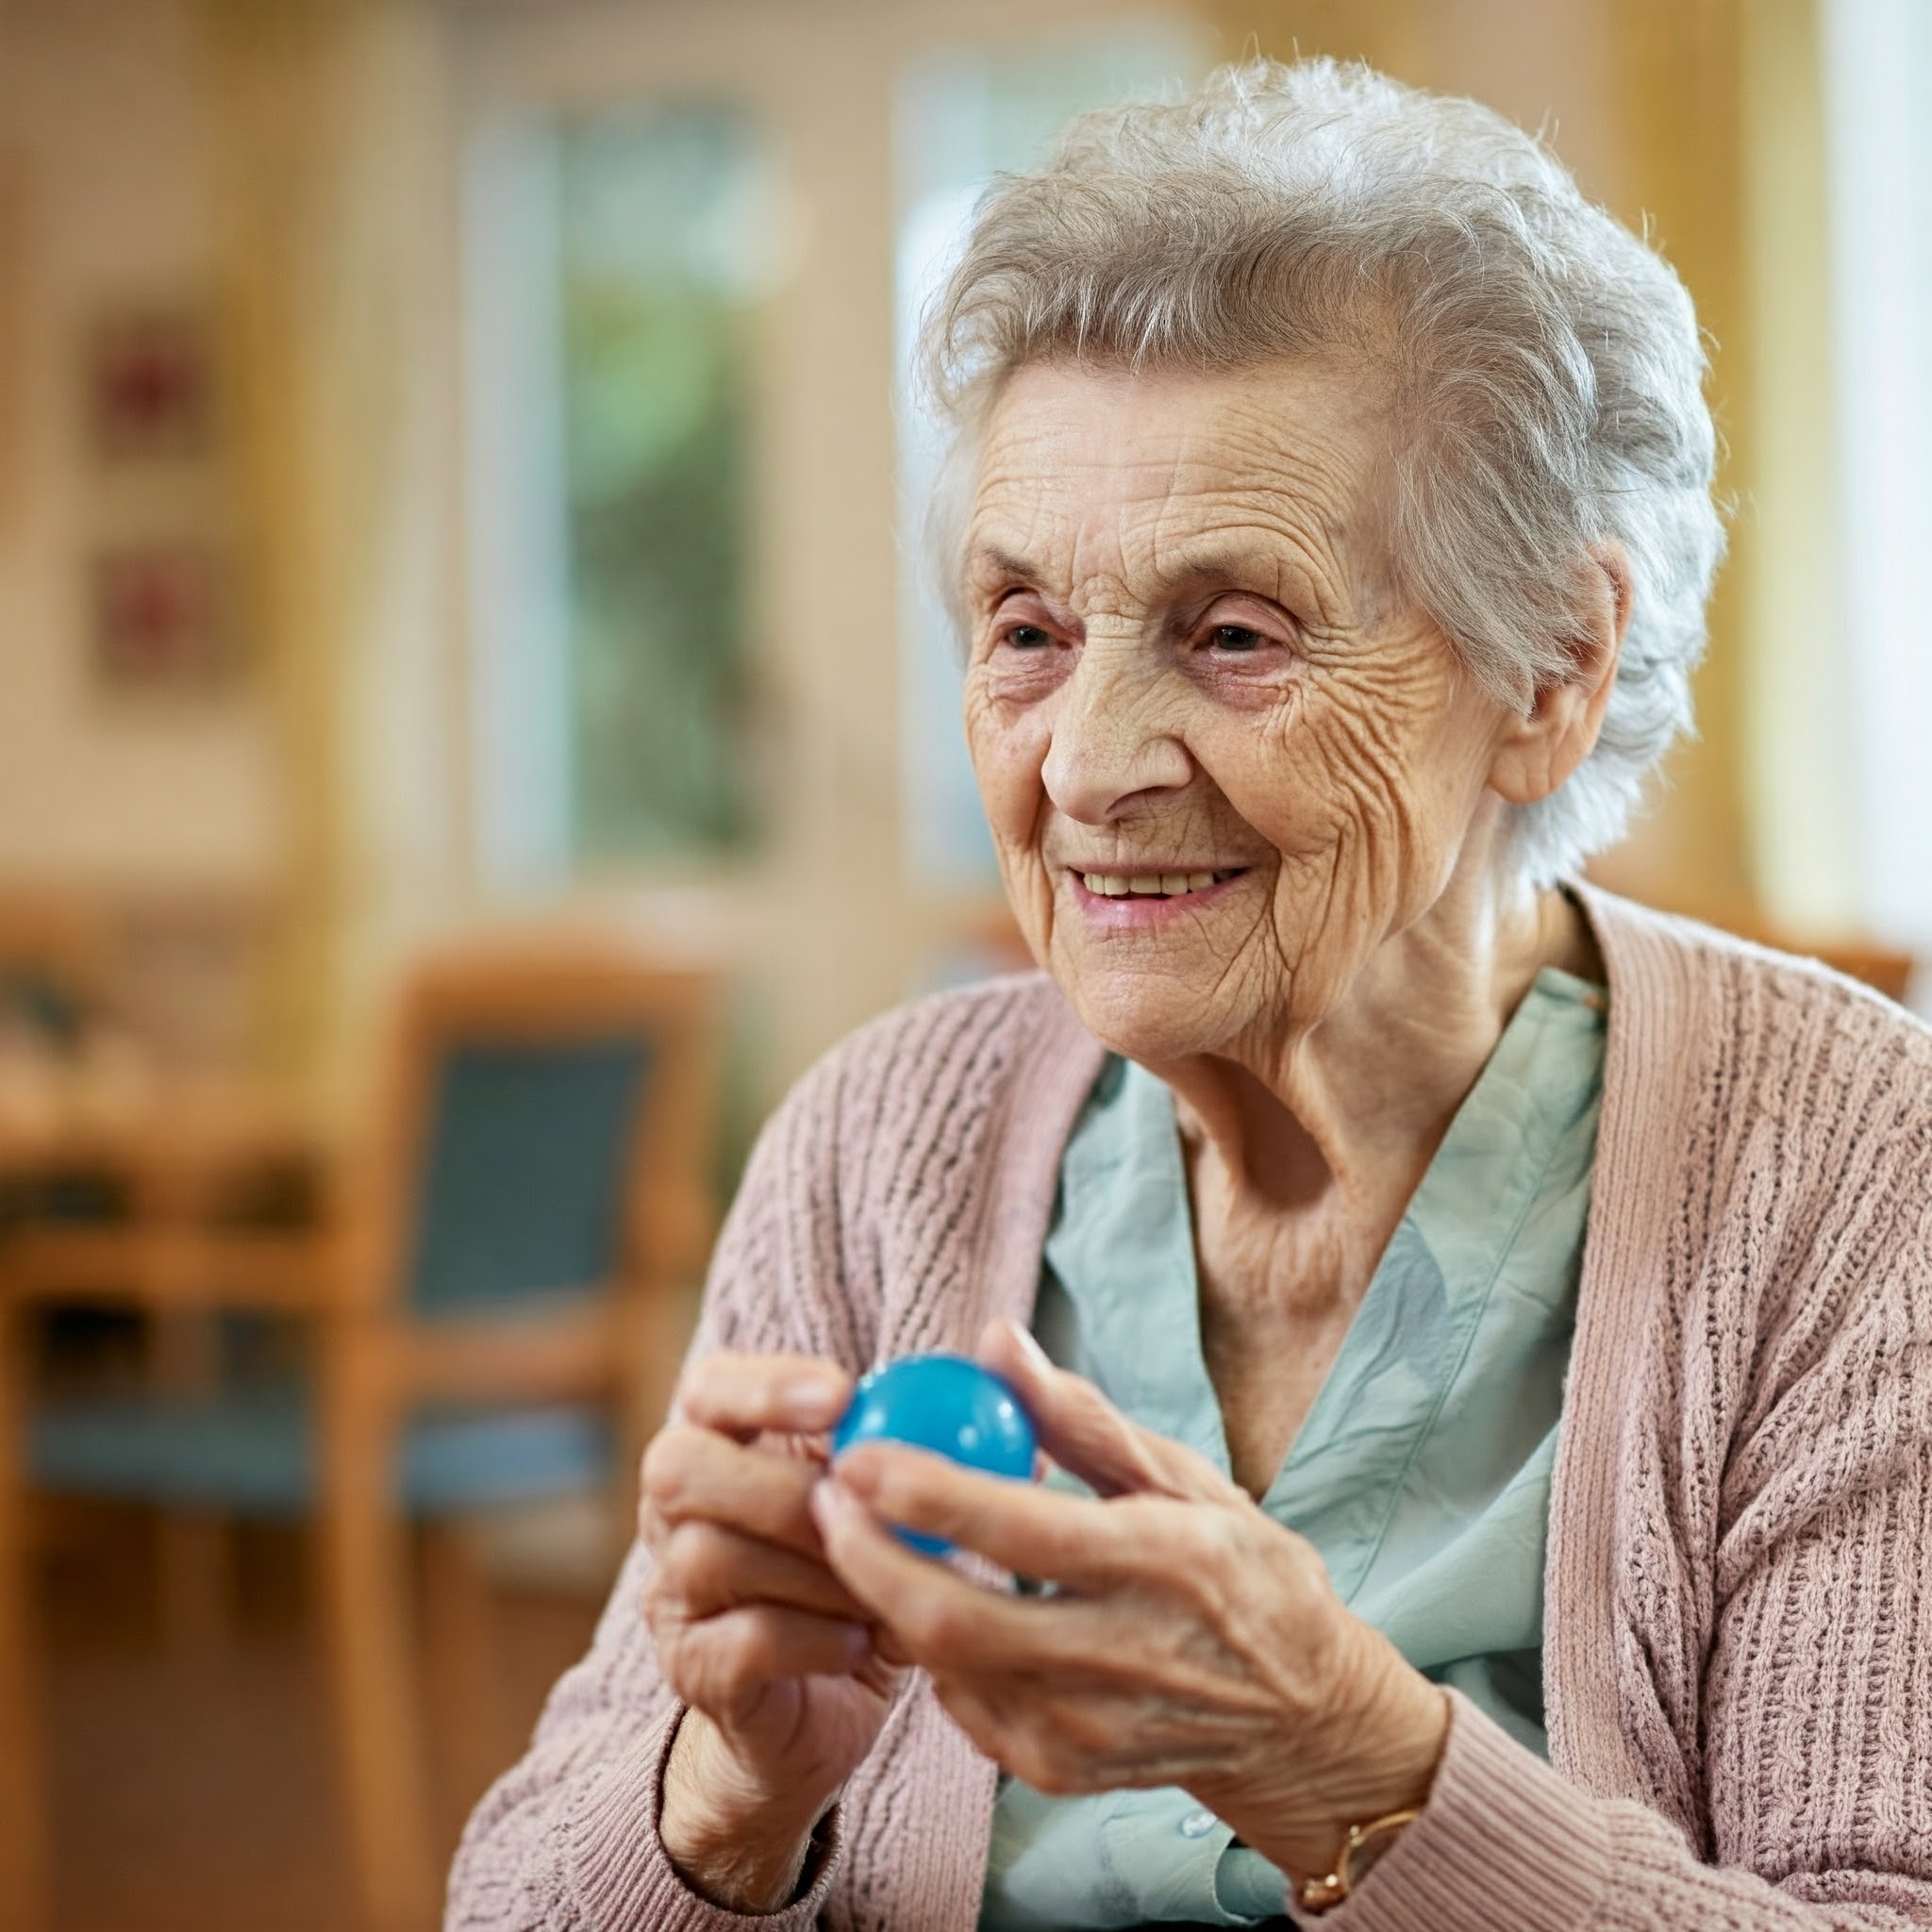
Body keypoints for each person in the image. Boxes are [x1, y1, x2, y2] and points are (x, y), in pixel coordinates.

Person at [448, 58, 1932, 1931]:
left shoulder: (1856, 1170)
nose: (1086, 763)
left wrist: (1348, 1761)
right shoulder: (879, 1143)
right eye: (1026, 633)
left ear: (1553, 660)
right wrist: (734, 1787)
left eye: (1234, 633)